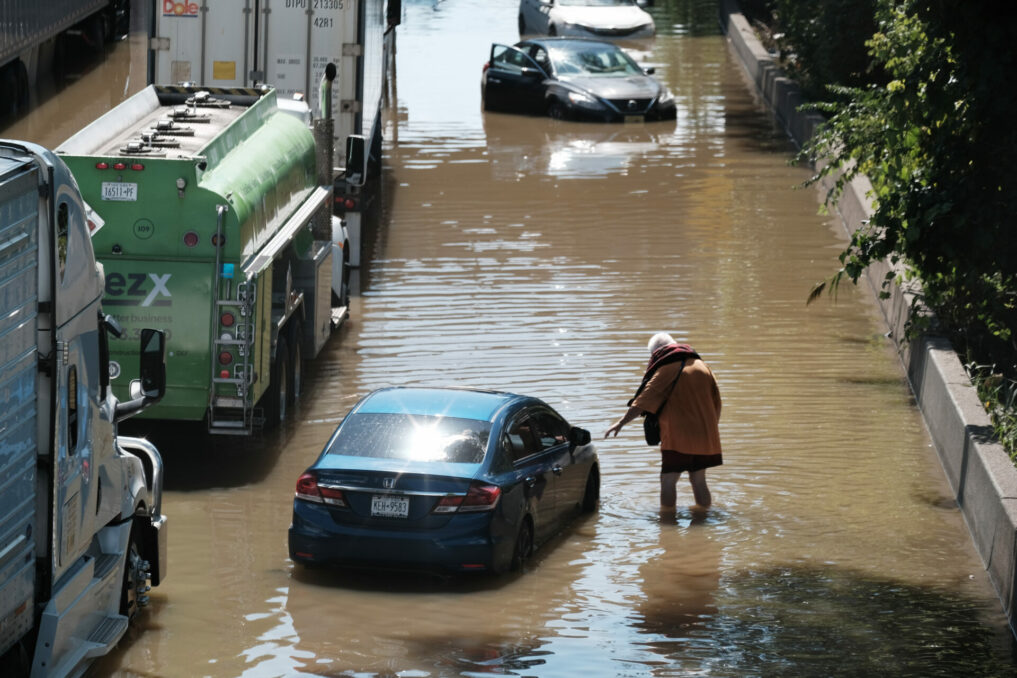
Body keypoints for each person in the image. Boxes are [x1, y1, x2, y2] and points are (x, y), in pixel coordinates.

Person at [605, 333, 722, 513]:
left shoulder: (668, 367)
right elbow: (717, 403)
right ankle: (703, 518)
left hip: (678, 437)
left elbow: (645, 399)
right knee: (698, 480)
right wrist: (709, 431)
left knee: (668, 480)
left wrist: (621, 422)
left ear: (657, 352)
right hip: (705, 436)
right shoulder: (703, 366)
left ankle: (667, 524)